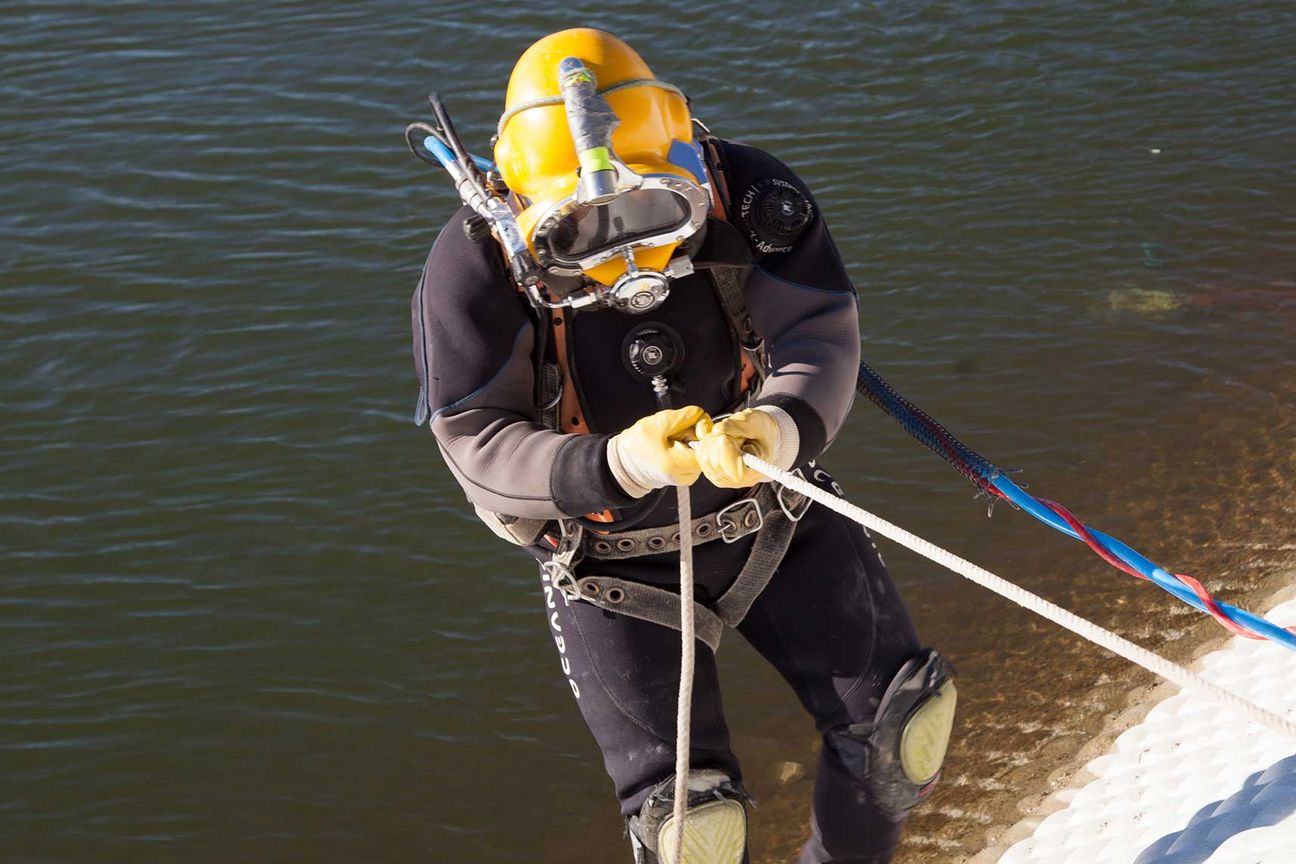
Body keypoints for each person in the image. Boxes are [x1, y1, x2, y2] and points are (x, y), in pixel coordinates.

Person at [409, 28, 956, 864]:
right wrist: (615, 463)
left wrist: (780, 423)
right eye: (581, 233)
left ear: (691, 172)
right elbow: (476, 443)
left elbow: (817, 329)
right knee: (690, 827)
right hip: (609, 567)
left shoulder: (749, 194)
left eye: (654, 211)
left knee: (900, 731)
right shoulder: (477, 265)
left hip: (772, 505)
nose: (627, 256)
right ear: (525, 215)